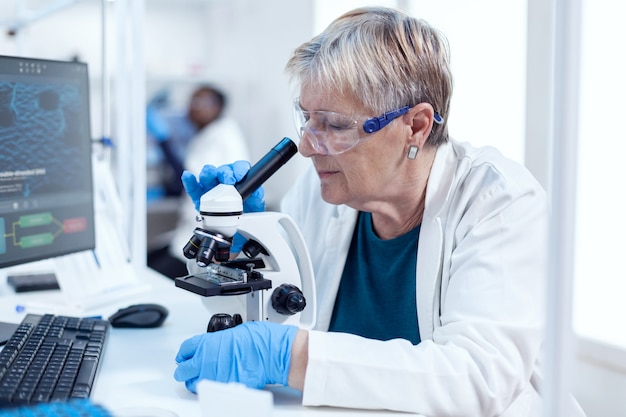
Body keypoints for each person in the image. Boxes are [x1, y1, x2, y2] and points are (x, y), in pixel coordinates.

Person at [172, 7, 586, 416]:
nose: (308, 146)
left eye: (335, 125)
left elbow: (477, 378)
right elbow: (281, 316)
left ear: (417, 126)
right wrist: (254, 242)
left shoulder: (499, 201)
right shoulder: (318, 194)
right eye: (307, 119)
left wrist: (290, 357)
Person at [147, 85, 250, 279]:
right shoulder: (209, 135)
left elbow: (182, 180)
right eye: (192, 101)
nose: (193, 107)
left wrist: (164, 140)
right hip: (191, 231)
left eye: (201, 102)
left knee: (153, 274)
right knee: (147, 262)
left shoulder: (220, 138)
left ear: (218, 107)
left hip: (207, 239)